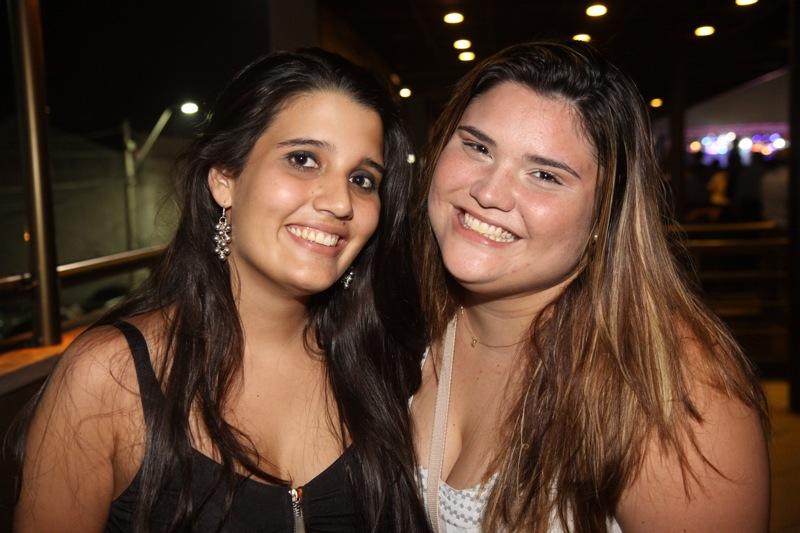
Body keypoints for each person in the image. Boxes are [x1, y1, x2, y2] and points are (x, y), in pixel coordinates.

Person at [14, 49, 429, 532]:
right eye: (303, 159)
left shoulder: (386, 364)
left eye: (362, 179)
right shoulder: (109, 376)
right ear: (224, 179)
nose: (340, 202)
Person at [410, 42, 769, 532]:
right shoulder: (399, 316)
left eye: (544, 175)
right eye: (478, 147)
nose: (488, 193)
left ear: (605, 216)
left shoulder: (665, 383)